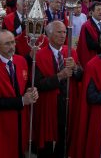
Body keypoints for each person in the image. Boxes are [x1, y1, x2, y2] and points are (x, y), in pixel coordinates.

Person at [0, 30, 38, 158]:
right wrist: (22, 101)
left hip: (20, 121)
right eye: (7, 44)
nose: (12, 46)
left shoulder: (21, 61)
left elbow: (24, 85)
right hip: (2, 124)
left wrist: (31, 91)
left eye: (13, 42)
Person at [33, 21, 83, 158]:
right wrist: (59, 77)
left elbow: (80, 76)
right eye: (59, 32)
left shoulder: (71, 52)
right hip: (48, 106)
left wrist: (75, 68)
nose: (63, 35)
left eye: (64, 32)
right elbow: (38, 84)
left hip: (68, 103)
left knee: (65, 139)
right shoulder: (39, 55)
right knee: (47, 144)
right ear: (49, 34)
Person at [76, 2, 101, 68]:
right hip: (93, 57)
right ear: (91, 12)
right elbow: (89, 44)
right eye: (98, 10)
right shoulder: (86, 26)